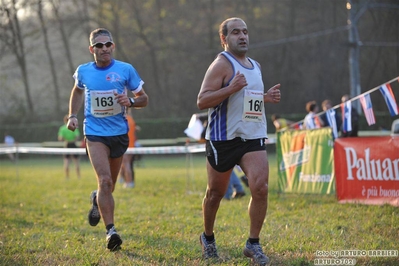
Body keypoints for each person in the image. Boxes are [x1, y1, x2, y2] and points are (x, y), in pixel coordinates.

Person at [197, 17, 281, 265]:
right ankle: (208, 237)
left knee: (261, 187)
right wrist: (231, 88)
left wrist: (265, 98)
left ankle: (253, 244)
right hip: (223, 138)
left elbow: (247, 99)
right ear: (224, 39)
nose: (242, 36)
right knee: (215, 194)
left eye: (245, 32)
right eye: (235, 32)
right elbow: (202, 100)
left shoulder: (255, 65)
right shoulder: (220, 65)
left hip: (252, 136)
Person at [66, 28, 149, 251]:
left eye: (108, 44)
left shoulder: (125, 69)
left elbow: (144, 99)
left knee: (108, 186)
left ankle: (96, 199)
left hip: (119, 134)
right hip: (94, 133)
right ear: (91, 49)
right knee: (104, 180)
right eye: (99, 45)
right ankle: (111, 231)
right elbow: (77, 91)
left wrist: (130, 101)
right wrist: (73, 115)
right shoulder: (83, 71)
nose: (104, 48)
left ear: (113, 46)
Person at [119, 109, 138, 188]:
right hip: (132, 146)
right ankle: (127, 180)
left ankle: (129, 182)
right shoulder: (131, 120)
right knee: (127, 165)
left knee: (126, 165)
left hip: (125, 145)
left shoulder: (122, 120)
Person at [58, 114, 81, 179]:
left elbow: (60, 138)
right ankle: (78, 176)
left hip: (67, 144)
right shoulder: (74, 127)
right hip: (73, 144)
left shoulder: (62, 128)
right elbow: (77, 137)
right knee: (76, 162)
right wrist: (72, 140)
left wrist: (66, 140)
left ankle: (67, 177)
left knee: (66, 162)